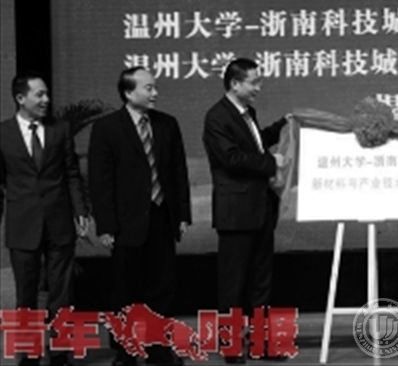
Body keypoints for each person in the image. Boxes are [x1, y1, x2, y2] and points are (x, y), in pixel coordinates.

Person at [88, 66, 192, 366]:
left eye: (154, 87)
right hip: (126, 223)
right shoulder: (107, 128)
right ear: (128, 92)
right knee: (126, 290)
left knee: (162, 287)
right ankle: (126, 350)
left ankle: (158, 348)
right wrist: (106, 225)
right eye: (148, 88)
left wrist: (182, 214)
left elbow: (178, 172)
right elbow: (100, 181)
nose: (155, 93)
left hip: (162, 217)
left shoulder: (167, 124)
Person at [0, 72, 89, 366]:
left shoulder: (59, 129)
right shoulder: (3, 134)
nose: (46, 100)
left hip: (59, 222)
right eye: (39, 94)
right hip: (22, 225)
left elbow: (72, 174)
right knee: (25, 295)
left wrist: (80, 211)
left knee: (61, 294)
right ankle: (28, 354)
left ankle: (61, 353)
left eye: (47, 94)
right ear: (20, 98)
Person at [202, 58, 288, 364]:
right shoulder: (217, 117)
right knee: (233, 284)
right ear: (235, 83)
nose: (258, 88)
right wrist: (271, 162)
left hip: (260, 209)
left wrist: (283, 126)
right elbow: (232, 159)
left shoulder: (246, 113)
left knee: (260, 282)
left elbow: (254, 144)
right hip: (236, 214)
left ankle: (260, 344)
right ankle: (231, 345)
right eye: (254, 82)